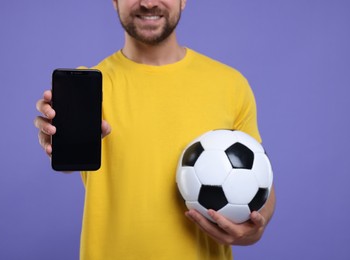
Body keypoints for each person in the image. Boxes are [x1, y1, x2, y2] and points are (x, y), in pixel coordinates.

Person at [34, 0, 276, 259]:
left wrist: (253, 229)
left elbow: (259, 182)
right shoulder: (91, 89)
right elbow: (69, 161)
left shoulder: (230, 85)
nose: (148, 2)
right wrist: (57, 143)